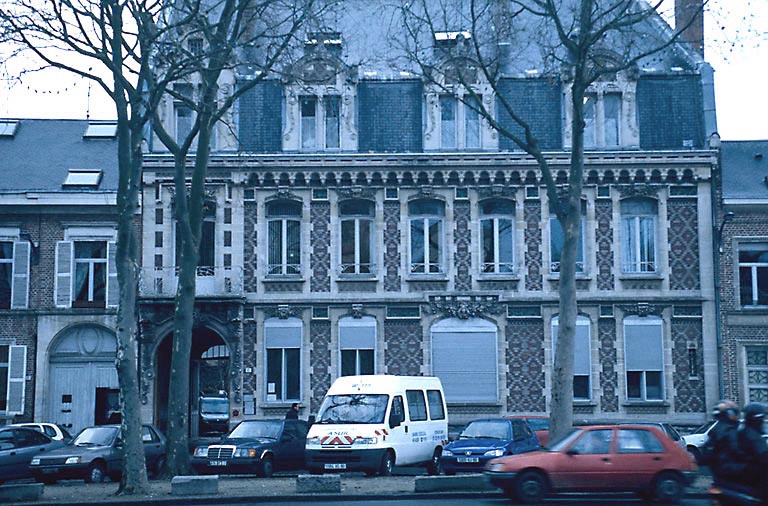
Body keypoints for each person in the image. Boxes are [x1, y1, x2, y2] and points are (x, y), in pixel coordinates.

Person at [702, 400, 746, 485]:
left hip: (717, 471)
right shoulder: (729, 429)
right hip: (730, 469)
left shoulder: (715, 429)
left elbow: (706, 452)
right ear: (730, 413)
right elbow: (735, 448)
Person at [737, 402, 768, 501]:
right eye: (763, 419)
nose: (764, 422)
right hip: (754, 477)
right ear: (758, 419)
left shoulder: (743, 432)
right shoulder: (754, 437)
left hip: (744, 474)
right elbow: (764, 457)